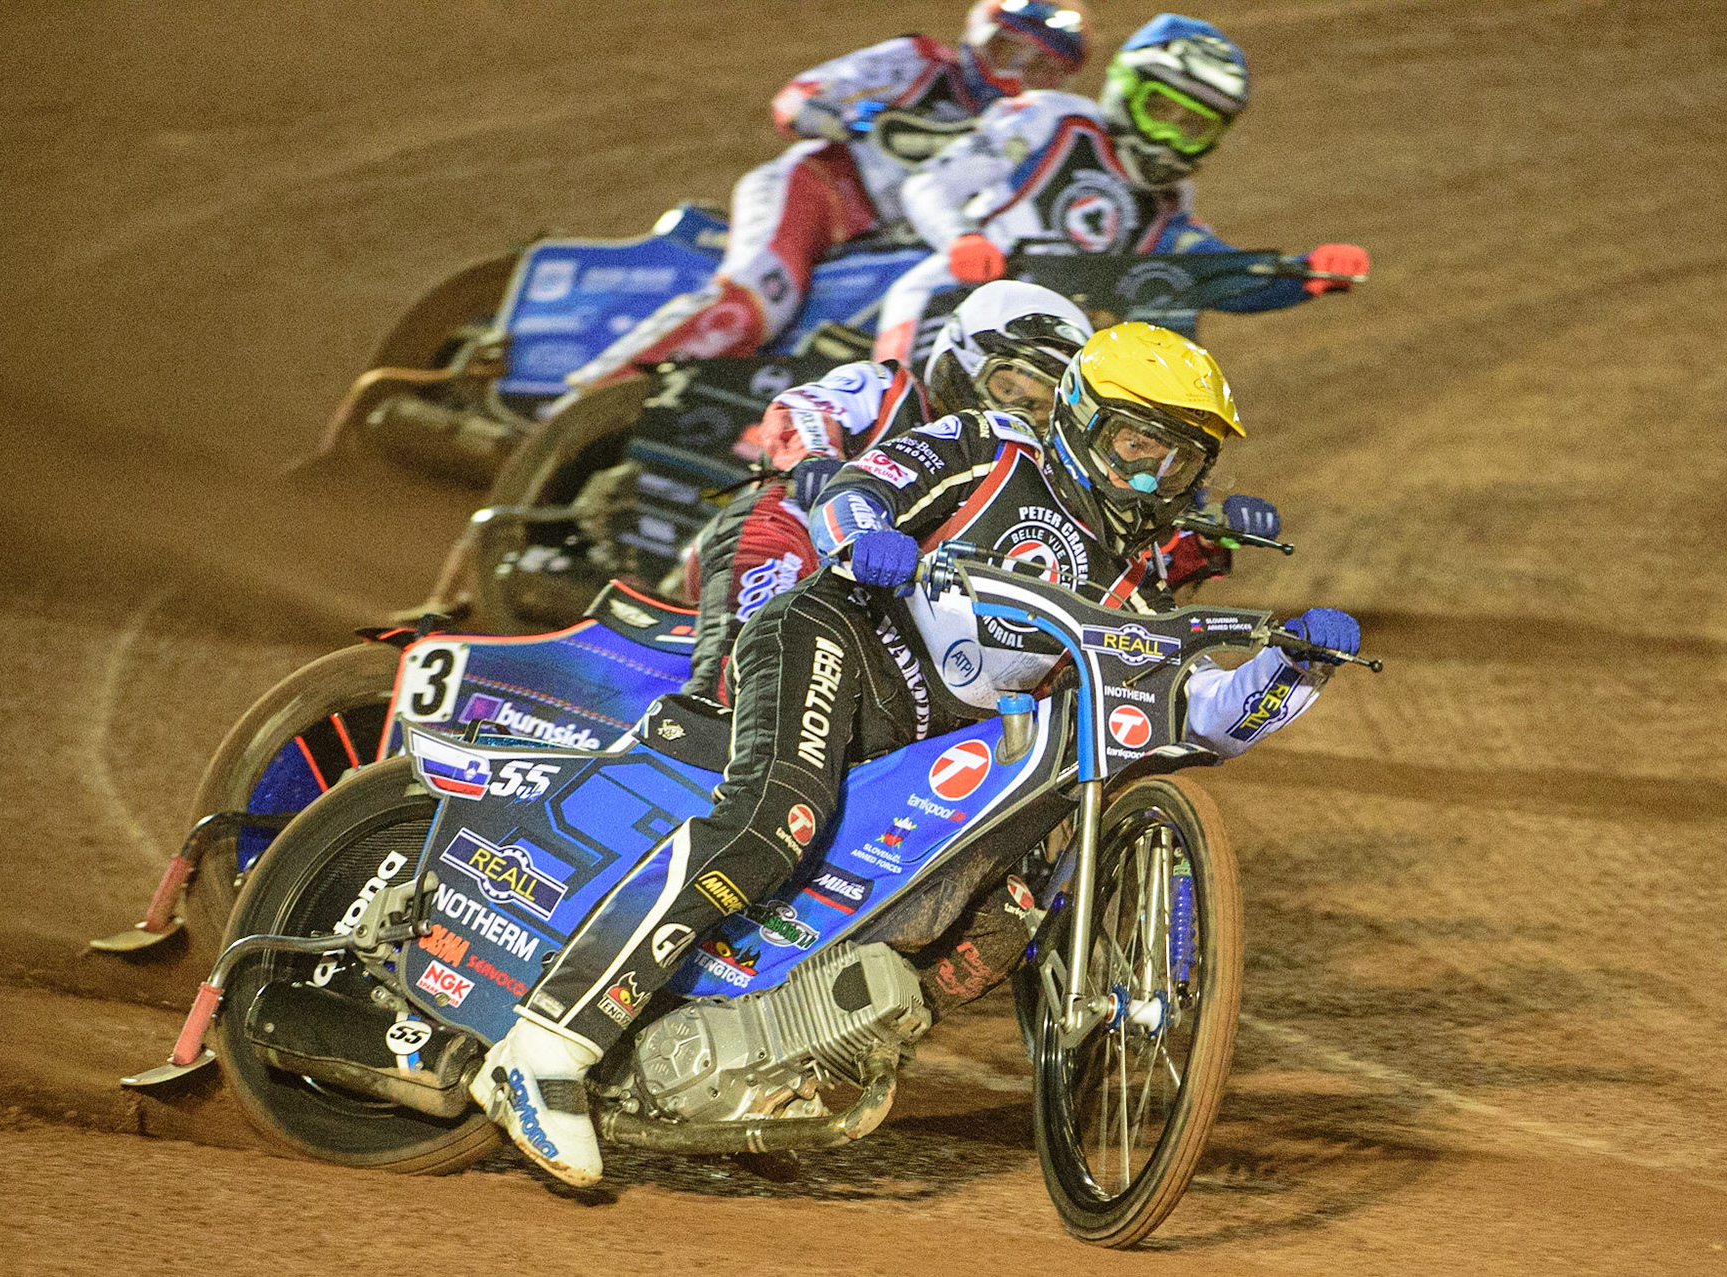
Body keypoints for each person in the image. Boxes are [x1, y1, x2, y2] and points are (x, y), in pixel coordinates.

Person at [469, 320, 1359, 1188]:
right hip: (838, 637)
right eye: (1137, 442)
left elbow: (1204, 717)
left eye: (1179, 461)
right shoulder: (993, 446)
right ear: (1085, 414)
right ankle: (549, 1042)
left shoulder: (1139, 576)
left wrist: (1292, 667)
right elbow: (860, 485)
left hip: (934, 740)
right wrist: (868, 536)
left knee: (996, 922)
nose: (1150, 474)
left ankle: (755, 1052)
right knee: (776, 818)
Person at [563, 2, 1091, 391]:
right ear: (980, 35)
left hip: (887, 243)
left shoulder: (1029, 132)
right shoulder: (921, 63)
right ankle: (581, 396)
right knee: (755, 306)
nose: (1016, 75)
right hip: (818, 191)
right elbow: (798, 98)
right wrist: (849, 116)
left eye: (1040, 68)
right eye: (1008, 52)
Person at [872, 12, 1371, 365]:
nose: (1170, 136)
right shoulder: (1050, 120)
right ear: (1125, 89)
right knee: (910, 370)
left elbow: (1203, 273)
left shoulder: (1169, 205)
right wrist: (962, 239)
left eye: (1192, 125)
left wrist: (1305, 274)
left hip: (1049, 341)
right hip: (963, 295)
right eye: (1160, 110)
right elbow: (930, 184)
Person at [678, 279, 1095, 701]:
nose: (1014, 412)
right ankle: (716, 695)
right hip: (794, 556)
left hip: (902, 633)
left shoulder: (1033, 478)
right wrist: (817, 457)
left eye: (1038, 405)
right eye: (1007, 388)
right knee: (787, 505)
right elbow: (805, 406)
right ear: (960, 360)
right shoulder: (888, 393)